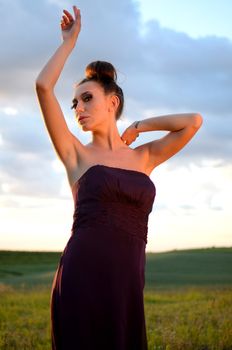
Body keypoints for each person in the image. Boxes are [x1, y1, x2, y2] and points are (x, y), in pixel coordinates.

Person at [35, 5, 203, 350]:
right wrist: (69, 42)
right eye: (74, 104)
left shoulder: (144, 157)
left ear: (112, 103)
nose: (78, 108)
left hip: (127, 281)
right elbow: (42, 86)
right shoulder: (75, 154)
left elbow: (194, 121)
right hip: (82, 275)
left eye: (87, 99)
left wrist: (139, 126)